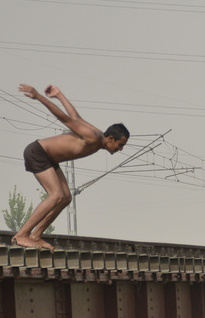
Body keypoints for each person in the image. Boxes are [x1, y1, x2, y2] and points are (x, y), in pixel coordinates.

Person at [12, 84, 129, 249]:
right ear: (110, 139)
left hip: (50, 159)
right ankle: (21, 235)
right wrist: (38, 96)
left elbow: (76, 118)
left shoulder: (98, 135)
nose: (120, 149)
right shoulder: (93, 138)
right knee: (56, 195)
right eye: (120, 145)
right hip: (38, 152)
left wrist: (59, 95)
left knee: (66, 197)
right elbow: (65, 119)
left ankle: (36, 235)